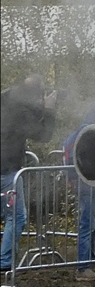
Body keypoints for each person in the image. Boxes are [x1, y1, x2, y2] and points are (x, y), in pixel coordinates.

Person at [1, 76, 56, 272]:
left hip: (6, 168)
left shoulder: (7, 99)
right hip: (7, 171)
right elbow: (44, 135)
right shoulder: (19, 110)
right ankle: (5, 262)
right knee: (16, 217)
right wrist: (49, 109)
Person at [63, 103, 95, 278]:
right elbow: (72, 153)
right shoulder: (86, 131)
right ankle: (83, 267)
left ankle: (91, 262)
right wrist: (75, 177)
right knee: (87, 224)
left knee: (94, 225)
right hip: (87, 184)